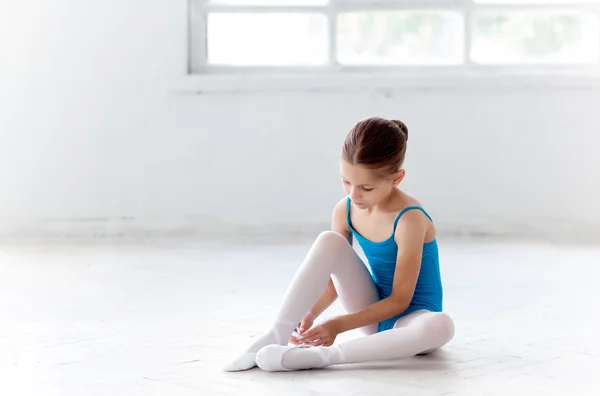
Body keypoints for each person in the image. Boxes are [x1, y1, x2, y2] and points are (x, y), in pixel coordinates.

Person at [223, 116, 455, 372]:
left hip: (413, 323)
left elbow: (400, 301)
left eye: (366, 187)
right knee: (329, 240)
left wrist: (338, 325)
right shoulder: (345, 210)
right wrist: (312, 313)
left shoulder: (410, 218)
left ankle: (324, 357)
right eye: (346, 181)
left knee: (441, 326)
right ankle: (276, 334)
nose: (353, 195)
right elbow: (335, 281)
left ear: (397, 179)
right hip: (372, 313)